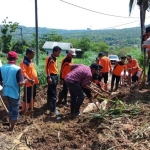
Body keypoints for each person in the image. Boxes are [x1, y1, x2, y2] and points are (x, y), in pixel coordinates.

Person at [0, 51, 27, 131]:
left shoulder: (2, 68)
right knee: (15, 110)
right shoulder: (17, 69)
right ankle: (11, 128)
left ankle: (10, 125)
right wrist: (24, 82)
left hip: (5, 92)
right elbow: (20, 83)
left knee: (10, 109)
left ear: (7, 58)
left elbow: (0, 82)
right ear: (16, 59)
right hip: (14, 93)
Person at [20, 48, 39, 112]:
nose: (33, 55)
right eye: (32, 54)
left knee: (33, 95)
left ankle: (31, 107)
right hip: (28, 83)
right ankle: (25, 109)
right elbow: (23, 73)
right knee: (27, 96)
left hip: (33, 82)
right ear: (28, 54)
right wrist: (29, 80)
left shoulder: (31, 60)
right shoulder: (24, 62)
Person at [45, 46, 61, 116]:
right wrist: (49, 77)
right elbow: (47, 68)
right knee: (54, 93)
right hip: (51, 76)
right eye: (58, 52)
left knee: (50, 91)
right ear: (54, 51)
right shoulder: (49, 58)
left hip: (55, 76)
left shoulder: (55, 58)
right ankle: (53, 109)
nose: (59, 54)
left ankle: (49, 105)